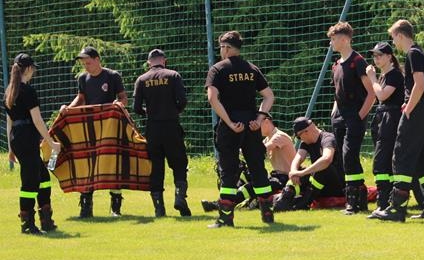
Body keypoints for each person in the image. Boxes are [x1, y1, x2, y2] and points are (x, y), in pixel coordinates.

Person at [371, 20, 424, 222]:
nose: (394, 43)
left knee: (401, 154)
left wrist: (408, 108)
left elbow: (419, 85)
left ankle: (396, 208)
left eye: (394, 38)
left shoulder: (413, 54)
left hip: (417, 111)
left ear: (401, 35)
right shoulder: (419, 53)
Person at [205, 30, 275, 227]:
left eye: (221, 47)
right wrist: (259, 119)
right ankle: (267, 214)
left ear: (226, 48)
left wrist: (228, 122)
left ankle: (225, 218)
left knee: (228, 171)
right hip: (252, 125)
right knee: (258, 169)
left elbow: (212, 98)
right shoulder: (252, 69)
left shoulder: (218, 69)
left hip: (231, 126)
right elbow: (269, 96)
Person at [67, 46, 128, 218]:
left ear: (97, 60)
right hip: (89, 130)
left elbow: (123, 98)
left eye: (88, 62)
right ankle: (86, 207)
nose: (85, 66)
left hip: (110, 129)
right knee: (88, 166)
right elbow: (81, 98)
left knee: (112, 165)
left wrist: (118, 105)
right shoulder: (82, 78)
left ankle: (115, 207)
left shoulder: (113, 76)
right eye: (83, 63)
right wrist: (68, 109)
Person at [5, 53, 61, 234]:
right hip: (28, 138)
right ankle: (27, 224)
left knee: (43, 178)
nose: (34, 71)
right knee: (30, 182)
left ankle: (46, 220)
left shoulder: (10, 91)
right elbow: (37, 121)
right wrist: (52, 143)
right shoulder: (28, 91)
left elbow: (9, 123)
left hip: (18, 138)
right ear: (28, 68)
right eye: (33, 68)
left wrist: (11, 148)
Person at [133, 48, 191, 217]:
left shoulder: (141, 79)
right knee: (179, 163)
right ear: (164, 60)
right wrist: (174, 111)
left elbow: (136, 108)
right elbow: (183, 100)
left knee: (156, 167)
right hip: (172, 125)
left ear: (149, 62)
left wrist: (149, 113)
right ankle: (180, 198)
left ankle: (159, 208)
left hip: (153, 128)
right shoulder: (173, 75)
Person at [327, 21, 375, 214]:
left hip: (354, 117)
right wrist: (334, 112)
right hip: (339, 118)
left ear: (345, 39)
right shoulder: (336, 65)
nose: (331, 43)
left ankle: (354, 201)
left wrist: (360, 116)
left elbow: (371, 93)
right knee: (343, 158)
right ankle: (357, 199)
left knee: (350, 155)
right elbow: (337, 93)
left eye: (334, 39)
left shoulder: (358, 61)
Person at [365, 41, 404, 212]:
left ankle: (384, 202)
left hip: (391, 118)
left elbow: (382, 95)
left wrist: (372, 78)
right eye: (374, 56)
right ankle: (387, 201)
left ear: (389, 57)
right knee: (384, 161)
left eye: (379, 55)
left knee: (382, 160)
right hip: (382, 117)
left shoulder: (394, 75)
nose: (376, 59)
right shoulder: (384, 76)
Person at [284, 116, 345, 211]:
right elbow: (298, 158)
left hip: (338, 186)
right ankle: (286, 198)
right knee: (301, 169)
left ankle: (305, 202)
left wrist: (302, 173)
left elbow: (326, 159)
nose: (300, 139)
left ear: (306, 132)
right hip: (321, 185)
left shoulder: (327, 138)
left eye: (299, 136)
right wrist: (294, 171)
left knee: (322, 167)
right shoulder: (306, 143)